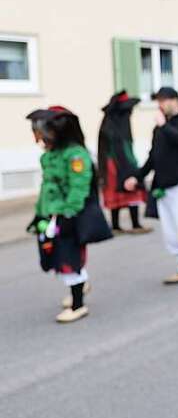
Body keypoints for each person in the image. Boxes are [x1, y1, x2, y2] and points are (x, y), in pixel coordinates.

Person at [124, 87, 178, 284]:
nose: (161, 105)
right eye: (158, 102)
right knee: (172, 229)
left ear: (175, 100)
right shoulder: (160, 128)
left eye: (164, 101)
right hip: (164, 185)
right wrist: (137, 177)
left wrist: (165, 127)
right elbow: (153, 156)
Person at [27, 107, 99, 323]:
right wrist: (40, 214)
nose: (41, 140)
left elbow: (79, 188)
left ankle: (78, 305)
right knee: (54, 256)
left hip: (67, 215)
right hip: (51, 215)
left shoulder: (75, 155)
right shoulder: (51, 155)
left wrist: (68, 214)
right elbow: (48, 188)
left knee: (68, 258)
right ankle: (78, 287)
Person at [97, 90, 151, 235]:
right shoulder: (117, 125)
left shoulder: (110, 123)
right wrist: (131, 166)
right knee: (129, 189)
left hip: (112, 164)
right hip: (117, 164)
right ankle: (131, 224)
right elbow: (122, 148)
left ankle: (118, 225)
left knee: (121, 192)